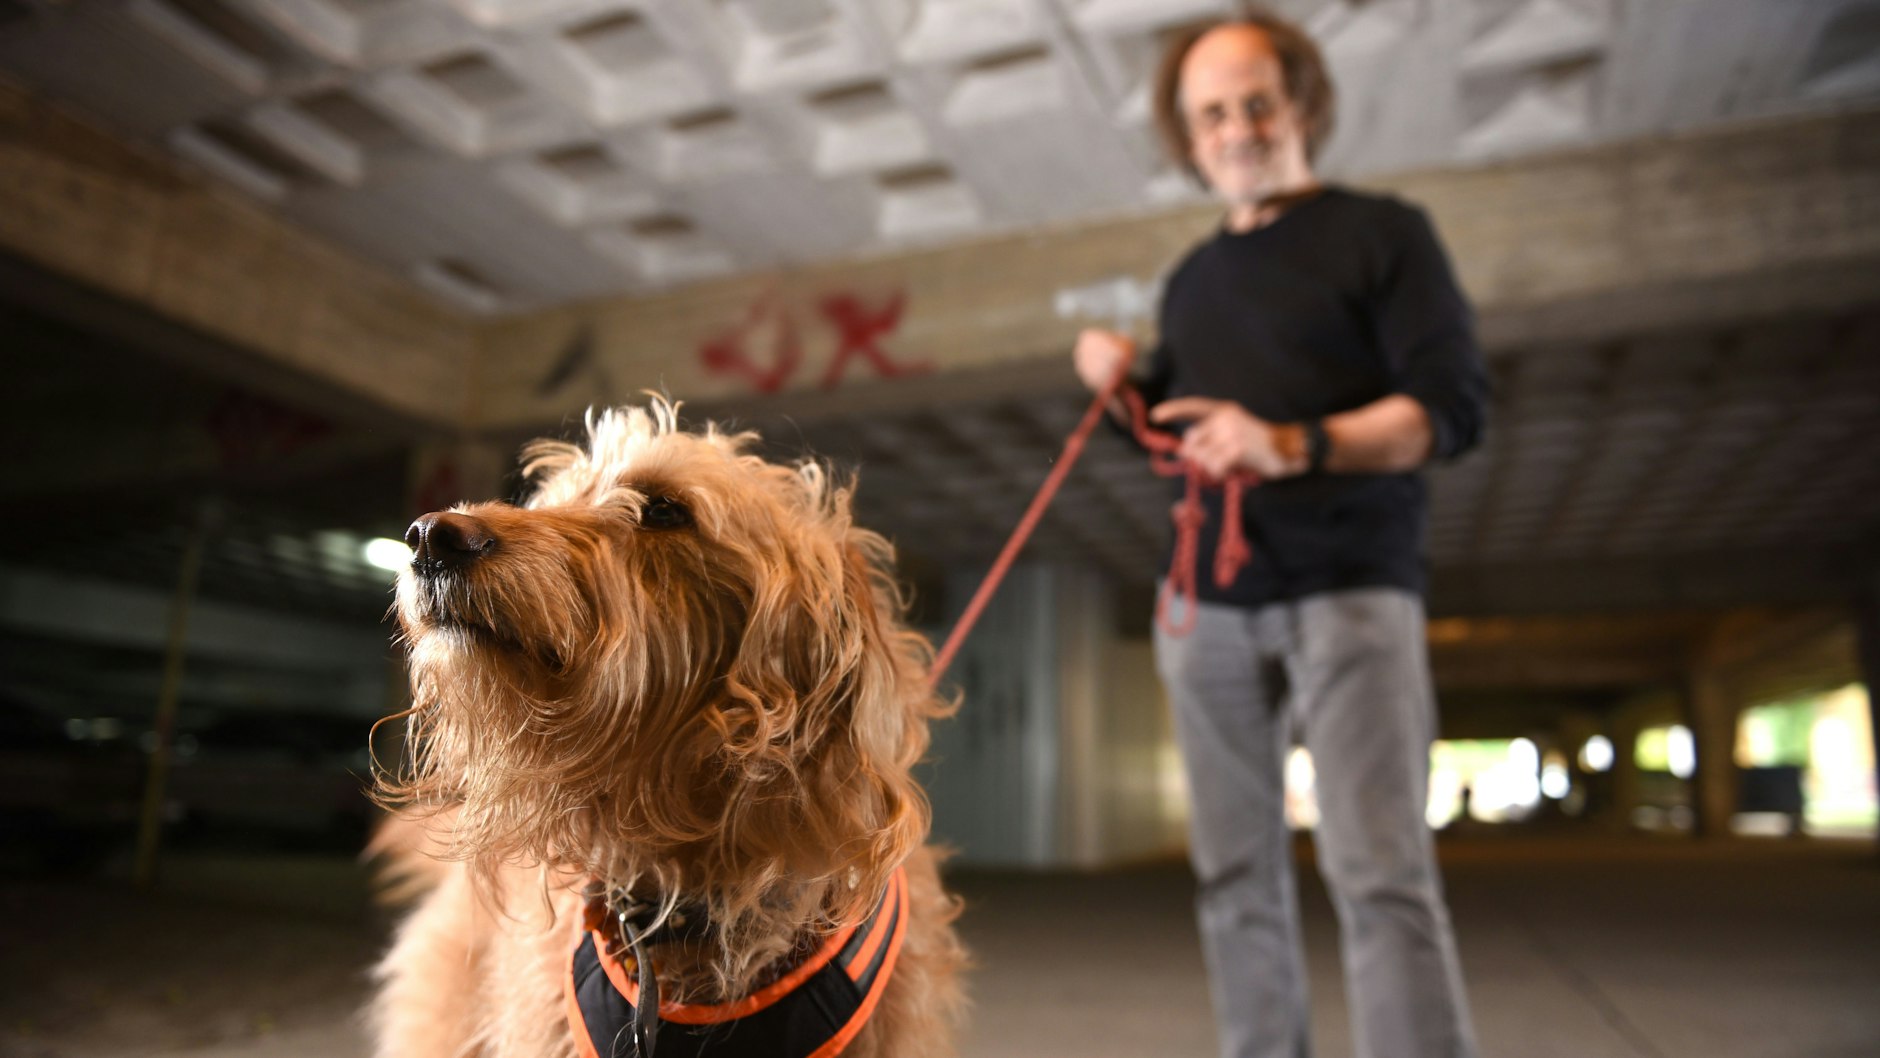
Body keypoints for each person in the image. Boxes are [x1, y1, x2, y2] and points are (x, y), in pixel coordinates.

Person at [1071, 9, 1486, 1058]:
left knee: (1379, 870)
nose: (1236, 127)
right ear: (1188, 133)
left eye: (1256, 101)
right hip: (1206, 611)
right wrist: (1124, 386)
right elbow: (1179, 436)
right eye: (1210, 112)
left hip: (1349, 588)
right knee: (1229, 874)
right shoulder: (1191, 282)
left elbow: (1446, 411)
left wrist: (1289, 442)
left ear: (1299, 103)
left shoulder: (1383, 233)